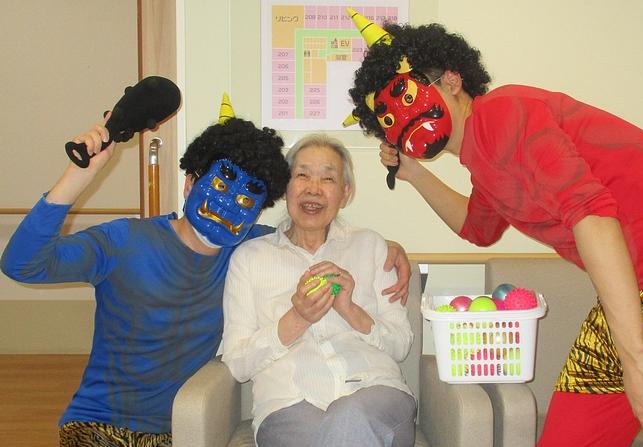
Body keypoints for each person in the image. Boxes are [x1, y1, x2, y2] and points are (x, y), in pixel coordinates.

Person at [347, 13, 643, 447]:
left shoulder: (503, 114)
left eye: (406, 96)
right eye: (387, 118)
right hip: (635, 291)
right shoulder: (485, 157)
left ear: (453, 79)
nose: (402, 120)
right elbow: (478, 227)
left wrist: (637, 358)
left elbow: (591, 214)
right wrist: (414, 174)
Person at [1, 107, 411, 446]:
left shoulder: (246, 247)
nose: (229, 204)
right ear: (189, 183)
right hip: (101, 425)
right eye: (221, 184)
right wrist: (79, 176)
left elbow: (311, 235)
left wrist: (389, 248)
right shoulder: (125, 240)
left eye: (246, 198)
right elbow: (22, 264)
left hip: (185, 431)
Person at [221, 134, 417, 447]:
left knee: (350, 416)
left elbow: (401, 344)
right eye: (302, 175)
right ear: (286, 187)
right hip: (287, 404)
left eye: (328, 178)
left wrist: (350, 310)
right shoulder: (249, 258)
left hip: (376, 393)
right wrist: (297, 318)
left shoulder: (371, 247)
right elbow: (237, 363)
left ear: (345, 192)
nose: (313, 188)